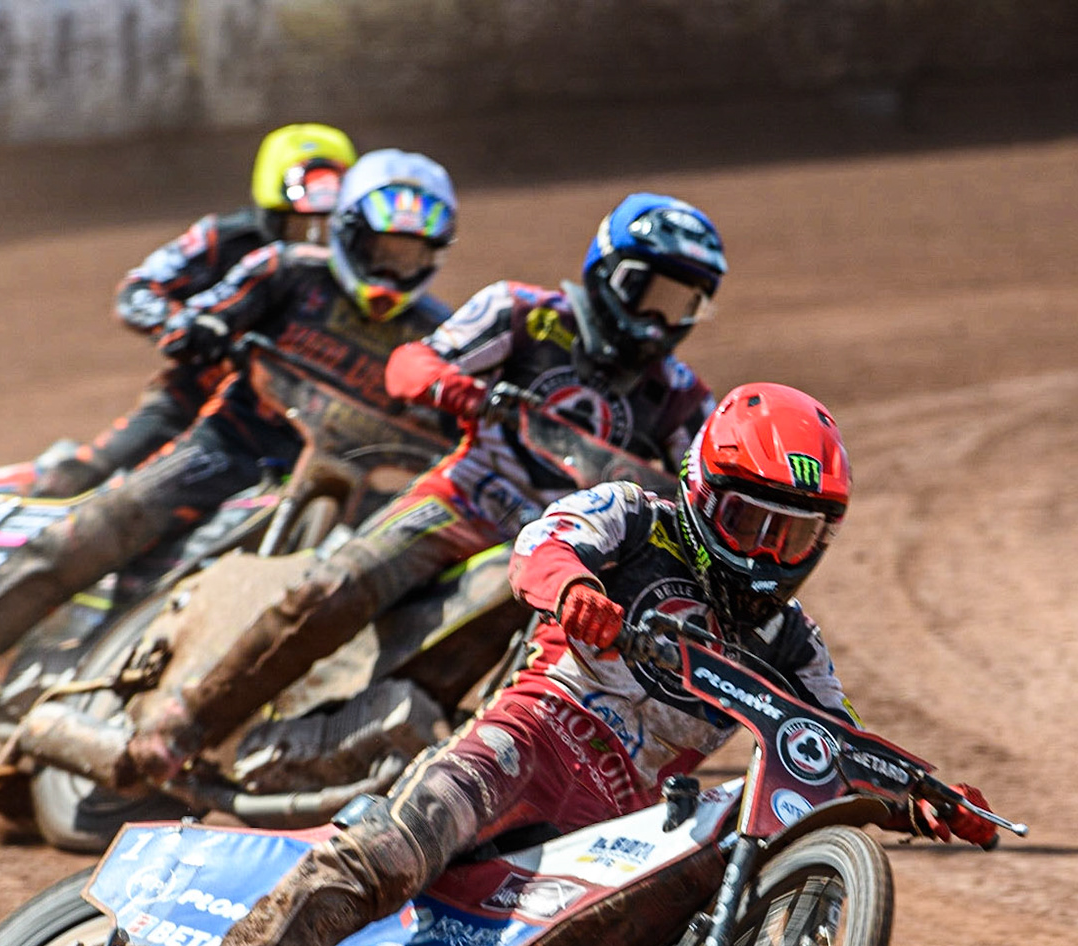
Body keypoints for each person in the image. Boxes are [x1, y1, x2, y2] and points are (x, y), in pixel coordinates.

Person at [126, 382, 1001, 946]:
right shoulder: (634, 517)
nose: (768, 555)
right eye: (750, 522)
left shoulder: (794, 643)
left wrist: (920, 794)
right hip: (527, 737)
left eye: (794, 536)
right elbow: (539, 544)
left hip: (611, 833)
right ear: (701, 489)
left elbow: (831, 746)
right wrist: (576, 590)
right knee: (384, 854)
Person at [75, 193, 728, 789]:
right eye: (648, 293)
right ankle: (176, 731)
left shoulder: (681, 396)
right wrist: (454, 386)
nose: (656, 320)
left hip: (554, 550)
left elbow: (707, 484)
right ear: (607, 272)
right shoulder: (522, 313)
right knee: (333, 589)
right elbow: (411, 362)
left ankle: (409, 757)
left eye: (680, 304)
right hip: (462, 502)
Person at [0, 149, 459, 712]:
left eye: (408, 256)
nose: (390, 270)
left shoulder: (437, 336)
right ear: (346, 234)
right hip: (228, 445)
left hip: (327, 485)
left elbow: (460, 418)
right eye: (379, 249)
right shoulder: (282, 271)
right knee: (107, 523)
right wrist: (200, 327)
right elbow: (202, 312)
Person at [31, 123, 358, 499]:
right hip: (196, 397)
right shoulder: (222, 240)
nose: (316, 243)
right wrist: (186, 327)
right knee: (79, 479)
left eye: (329, 226)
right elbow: (138, 289)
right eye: (302, 226)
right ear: (271, 212)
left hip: (301, 421)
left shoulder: (366, 272)